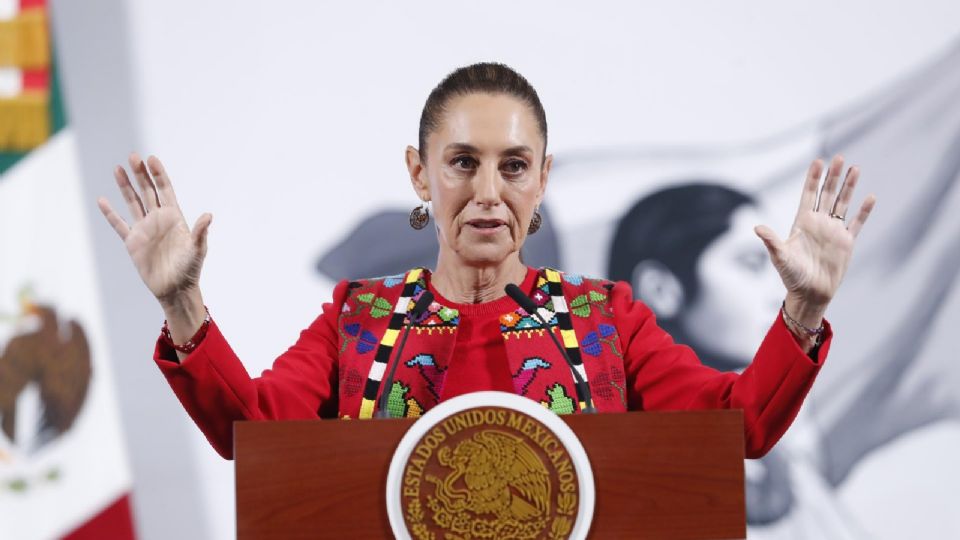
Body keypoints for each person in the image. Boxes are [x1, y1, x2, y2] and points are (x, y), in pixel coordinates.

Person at [96, 63, 876, 460]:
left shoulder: (606, 317)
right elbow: (255, 436)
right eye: (462, 162)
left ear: (543, 181)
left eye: (513, 165)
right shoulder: (356, 318)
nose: (487, 192)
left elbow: (734, 427)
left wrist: (803, 311)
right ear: (419, 174)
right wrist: (183, 306)